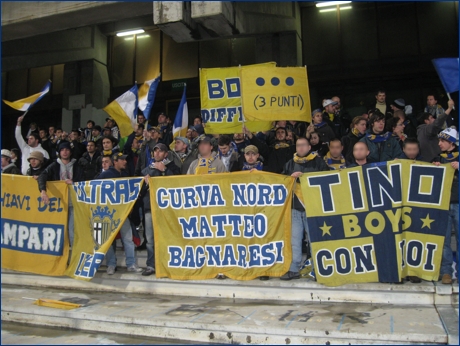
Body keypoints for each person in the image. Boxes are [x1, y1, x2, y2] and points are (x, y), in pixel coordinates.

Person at [280, 137, 329, 281]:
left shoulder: (319, 162)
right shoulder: (290, 163)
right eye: (298, 145)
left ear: (309, 147)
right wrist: (290, 178)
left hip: (313, 208)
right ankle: (293, 269)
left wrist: (306, 177)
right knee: (294, 240)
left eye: (303, 145)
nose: (300, 148)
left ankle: (318, 270)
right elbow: (282, 182)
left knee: (315, 240)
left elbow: (326, 178)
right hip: (295, 209)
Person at [98, 153, 143, 275]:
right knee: (110, 240)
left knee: (128, 239)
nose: (125, 162)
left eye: (125, 159)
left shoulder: (124, 174)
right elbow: (94, 189)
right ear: (115, 162)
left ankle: (130, 264)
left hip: (123, 213)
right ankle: (111, 264)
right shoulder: (106, 174)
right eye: (122, 160)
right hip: (110, 214)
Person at [140, 143, 181, 276]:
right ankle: (151, 265)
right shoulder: (147, 169)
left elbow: (177, 184)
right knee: (150, 239)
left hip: (166, 209)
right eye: (155, 151)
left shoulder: (173, 167)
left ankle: (168, 264)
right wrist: (144, 184)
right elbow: (140, 191)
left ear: (166, 154)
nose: (157, 153)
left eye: (160, 151)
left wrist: (164, 171)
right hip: (150, 208)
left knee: (167, 237)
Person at [38, 141, 85, 246]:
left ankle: (74, 258)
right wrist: (43, 191)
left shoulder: (78, 165)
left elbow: (84, 181)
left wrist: (74, 183)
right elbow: (42, 176)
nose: (65, 152)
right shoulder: (54, 165)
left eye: (67, 150)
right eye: (62, 150)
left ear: (71, 152)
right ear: (59, 152)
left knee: (72, 231)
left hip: (74, 203)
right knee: (58, 231)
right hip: (59, 204)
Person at [433, 127, 459, 285]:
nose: (439, 143)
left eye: (443, 141)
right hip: (442, 204)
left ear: (452, 143)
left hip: (458, 203)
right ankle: (446, 272)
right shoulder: (437, 158)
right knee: (444, 240)